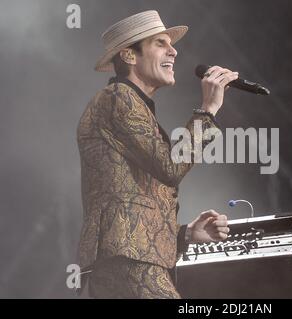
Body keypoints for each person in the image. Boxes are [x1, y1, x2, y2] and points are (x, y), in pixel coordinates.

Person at [76, 10, 237, 298]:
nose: (173, 51)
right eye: (160, 43)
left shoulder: (129, 104)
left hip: (126, 260)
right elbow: (170, 167)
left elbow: (130, 197)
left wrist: (184, 234)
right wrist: (208, 109)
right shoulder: (118, 98)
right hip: (130, 261)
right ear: (128, 55)